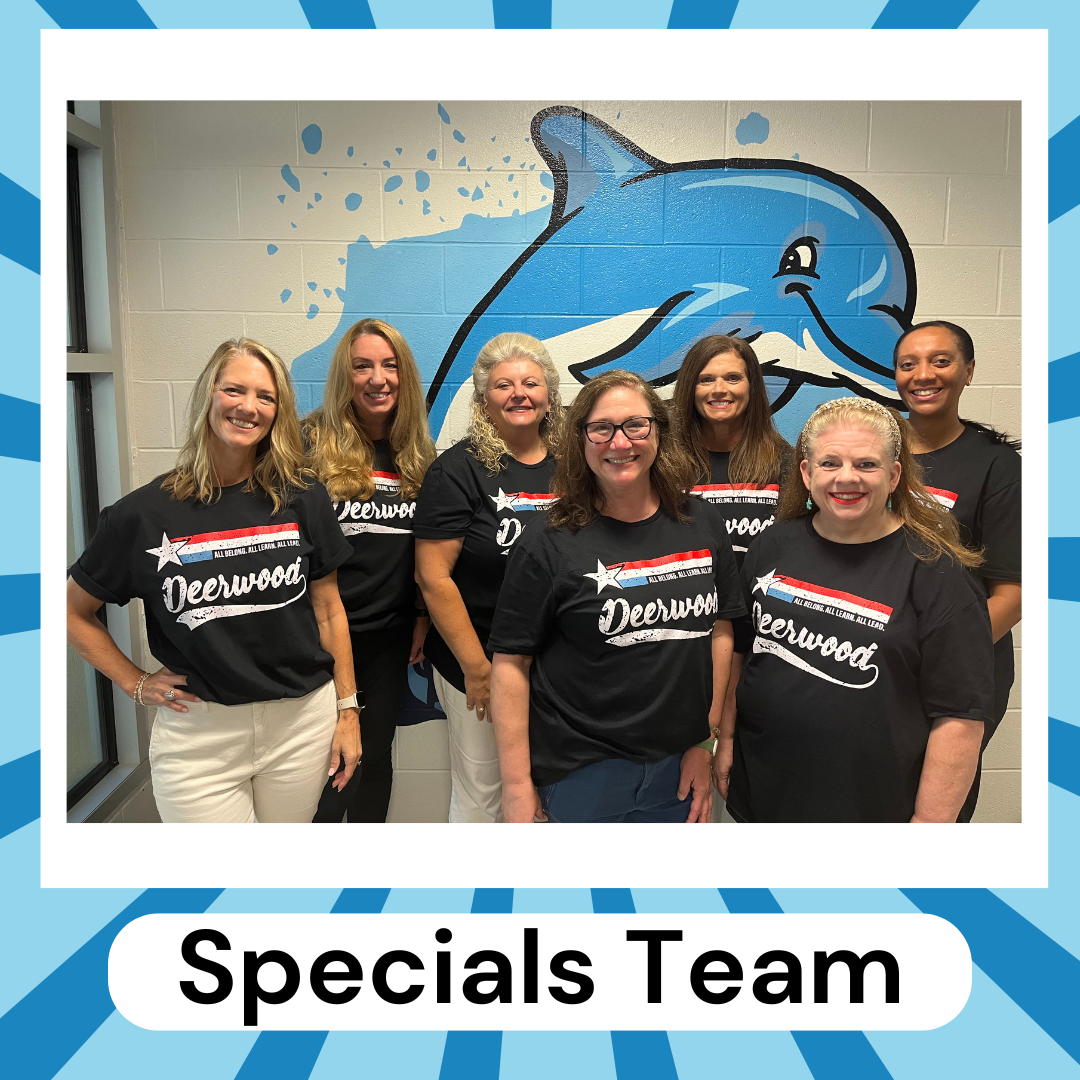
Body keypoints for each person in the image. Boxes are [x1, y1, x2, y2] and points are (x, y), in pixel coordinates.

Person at [67, 339, 360, 823]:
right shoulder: (140, 515)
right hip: (199, 734)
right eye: (234, 390)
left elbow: (329, 610)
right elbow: (71, 612)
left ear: (278, 412)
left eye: (265, 397)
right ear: (209, 395)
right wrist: (135, 682)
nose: (249, 407)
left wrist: (347, 711)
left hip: (302, 722)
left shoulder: (304, 497)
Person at [721, 396, 995, 823]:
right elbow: (742, 655)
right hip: (765, 792)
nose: (846, 478)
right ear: (806, 472)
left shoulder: (938, 573)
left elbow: (960, 718)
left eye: (866, 464)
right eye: (829, 463)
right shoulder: (771, 545)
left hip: (877, 808)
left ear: (894, 475)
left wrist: (928, 826)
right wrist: (726, 742)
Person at [488, 370, 746, 824]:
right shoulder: (546, 542)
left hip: (678, 770)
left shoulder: (703, 524)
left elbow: (720, 631)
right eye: (601, 428)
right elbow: (510, 663)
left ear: (658, 433)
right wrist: (515, 787)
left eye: (635, 425)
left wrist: (705, 741)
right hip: (580, 774)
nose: (620, 443)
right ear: (581, 439)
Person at [414, 332, 563, 822]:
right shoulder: (456, 471)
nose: (519, 394)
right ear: (483, 399)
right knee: (483, 792)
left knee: (547, 789)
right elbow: (433, 577)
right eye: (503, 385)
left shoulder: (576, 466)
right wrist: (478, 670)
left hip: (558, 662)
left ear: (550, 394)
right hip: (476, 657)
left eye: (530, 383)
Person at [305, 319, 436, 823]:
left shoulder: (420, 455)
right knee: (321, 767)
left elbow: (428, 551)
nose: (377, 378)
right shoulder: (309, 444)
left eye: (389, 365)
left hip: (387, 637)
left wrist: (421, 614)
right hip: (317, 638)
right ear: (345, 376)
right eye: (363, 366)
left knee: (374, 758)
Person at [893, 321, 1021, 822]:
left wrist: (936, 660)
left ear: (968, 371)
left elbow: (1013, 595)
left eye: (940, 361)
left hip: (954, 675)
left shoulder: (996, 467)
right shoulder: (873, 453)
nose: (923, 374)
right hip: (877, 661)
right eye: (909, 365)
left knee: (931, 811)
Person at [673, 334, 792, 565]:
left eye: (733, 378)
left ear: (752, 386)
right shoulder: (667, 462)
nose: (719, 389)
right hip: (691, 600)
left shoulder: (785, 461)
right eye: (705, 380)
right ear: (690, 388)